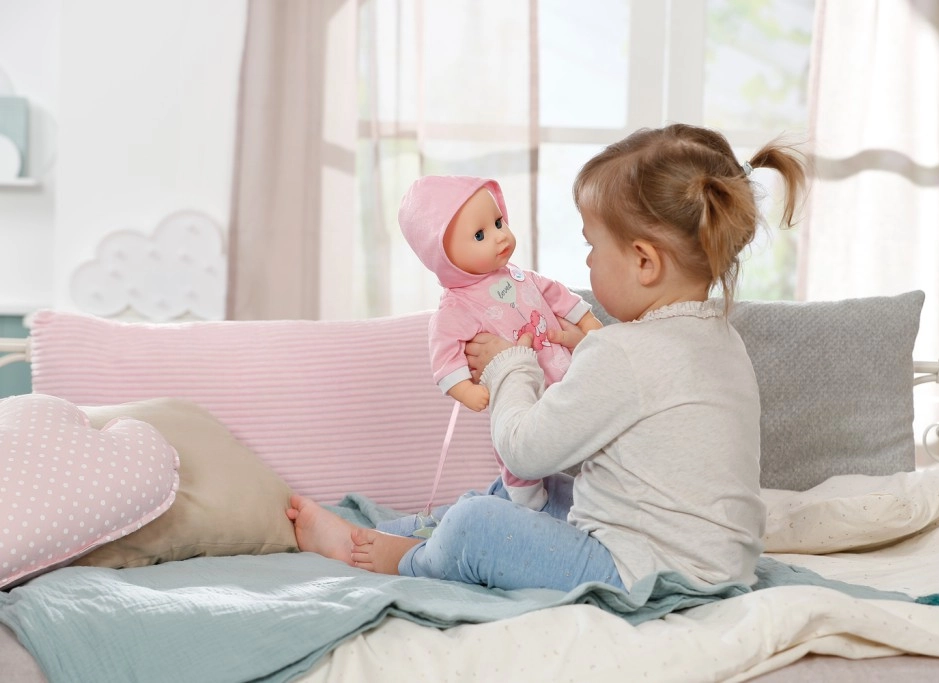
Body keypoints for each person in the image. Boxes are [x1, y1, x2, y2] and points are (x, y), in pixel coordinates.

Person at [287, 123, 807, 594]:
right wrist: (584, 349)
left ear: (644, 262)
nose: (588, 261)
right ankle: (392, 531)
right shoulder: (721, 339)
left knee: (479, 525)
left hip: (648, 573)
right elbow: (640, 405)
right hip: (719, 563)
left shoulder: (621, 355)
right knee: (548, 493)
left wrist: (510, 364)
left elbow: (523, 451)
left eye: (593, 246)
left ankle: (403, 557)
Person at [395, 175, 602, 510]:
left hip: (565, 373)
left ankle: (582, 492)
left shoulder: (519, 275)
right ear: (443, 256)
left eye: (498, 222)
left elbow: (556, 294)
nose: (500, 236)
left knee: (583, 433)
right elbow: (445, 351)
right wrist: (464, 389)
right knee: (512, 446)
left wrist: (587, 322)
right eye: (480, 235)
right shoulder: (457, 306)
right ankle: (525, 498)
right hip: (519, 396)